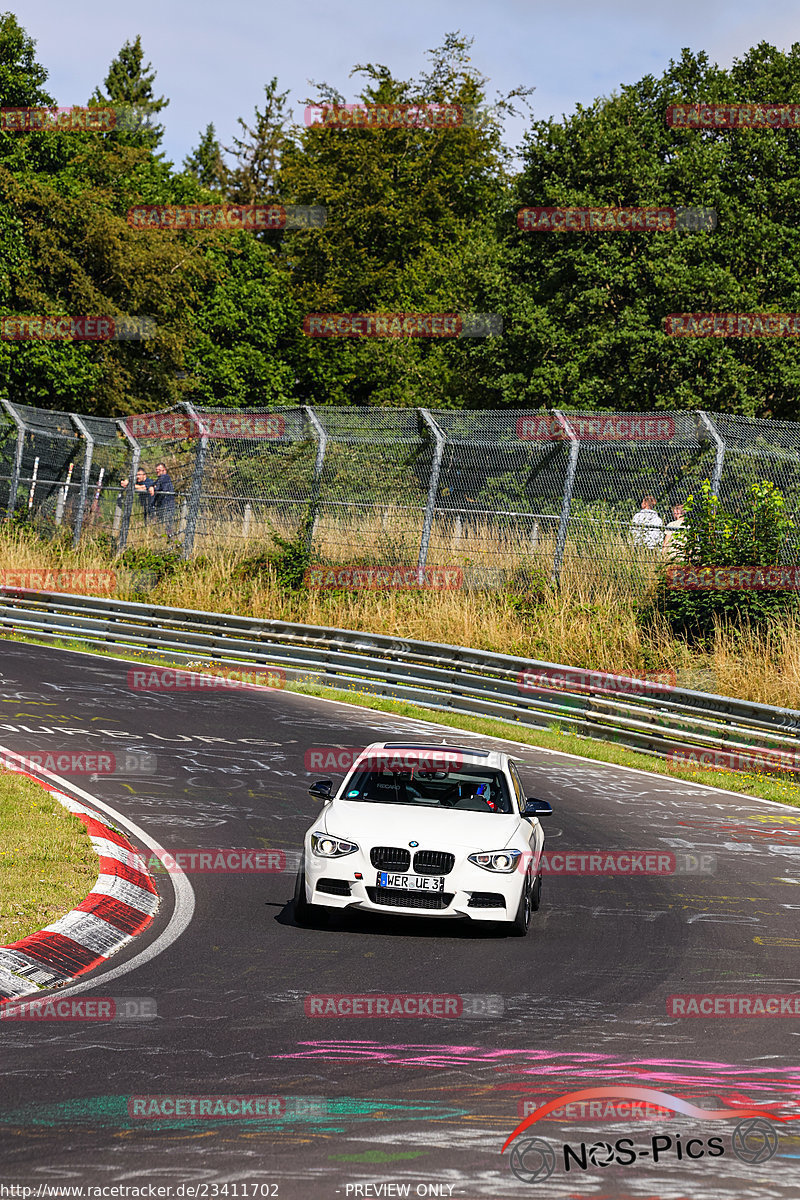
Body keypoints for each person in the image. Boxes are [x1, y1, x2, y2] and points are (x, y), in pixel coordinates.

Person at [150, 461, 176, 535]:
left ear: (164, 470)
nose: (157, 471)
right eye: (156, 469)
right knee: (162, 524)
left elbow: (157, 487)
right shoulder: (159, 479)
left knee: (167, 524)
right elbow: (155, 485)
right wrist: (152, 486)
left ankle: (170, 538)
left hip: (167, 505)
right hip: (163, 505)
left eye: (159, 469)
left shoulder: (165, 477)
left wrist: (153, 487)